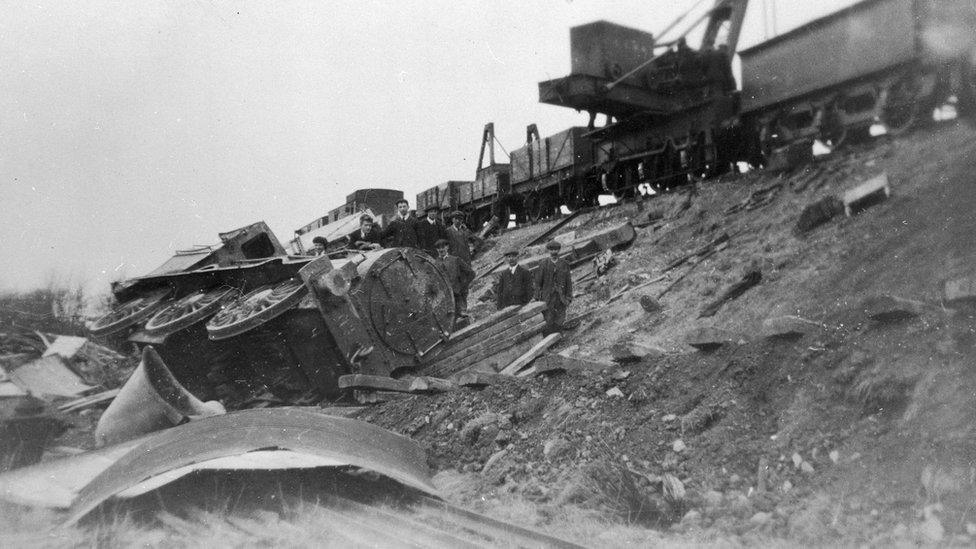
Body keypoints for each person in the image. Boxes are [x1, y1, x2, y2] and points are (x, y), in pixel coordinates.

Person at [535, 240, 572, 334]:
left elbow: (568, 281)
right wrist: (537, 297)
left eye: (556, 250)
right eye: (552, 250)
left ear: (559, 250)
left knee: (560, 315)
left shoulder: (564, 264)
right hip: (547, 296)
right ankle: (549, 338)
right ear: (548, 251)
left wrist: (569, 296)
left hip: (561, 295)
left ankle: (559, 335)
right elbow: (538, 282)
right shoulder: (543, 264)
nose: (554, 252)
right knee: (548, 316)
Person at [434, 238, 474, 319]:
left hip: (458, 296)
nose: (441, 250)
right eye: (438, 248)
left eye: (443, 247)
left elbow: (471, 273)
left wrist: (463, 286)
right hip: (445, 299)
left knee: (463, 317)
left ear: (447, 247)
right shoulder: (435, 264)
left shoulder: (455, 260)